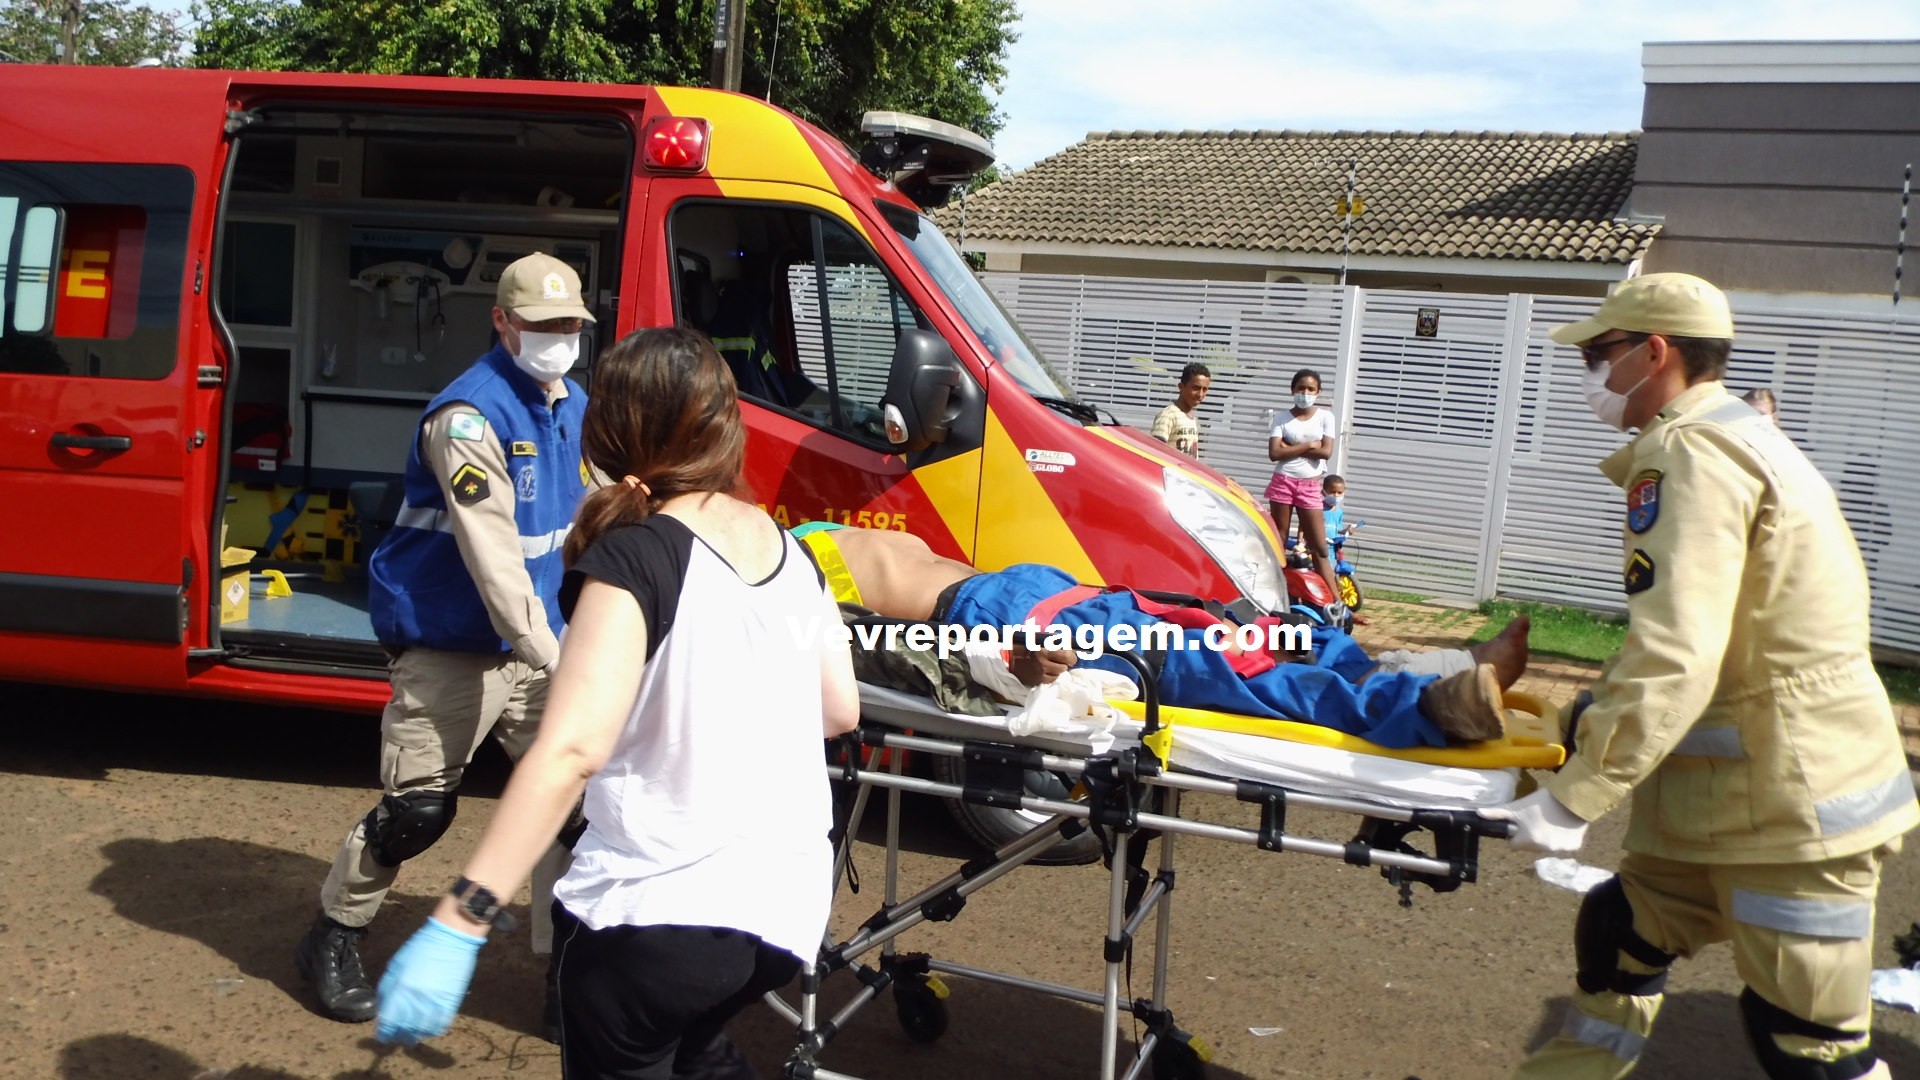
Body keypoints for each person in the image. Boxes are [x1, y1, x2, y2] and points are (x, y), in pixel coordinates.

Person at [373, 327, 860, 1076]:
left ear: (612, 432)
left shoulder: (633, 559)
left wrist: (462, 915)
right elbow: (839, 710)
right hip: (777, 918)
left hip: (654, 917)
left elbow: (572, 749)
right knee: (694, 1048)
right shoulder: (792, 552)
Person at [1499, 273, 1918, 1079]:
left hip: (1791, 816)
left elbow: (1678, 649)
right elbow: (1721, 633)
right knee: (1622, 931)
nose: (1588, 371)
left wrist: (1574, 796)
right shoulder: (1741, 434)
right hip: (1730, 801)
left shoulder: (1689, 451)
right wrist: (1585, 717)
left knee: (1809, 1045)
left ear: (1654, 352)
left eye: (1597, 353)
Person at [295, 253, 595, 1028]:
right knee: (417, 813)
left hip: (540, 640)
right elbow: (494, 558)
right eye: (542, 324)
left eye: (570, 323)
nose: (559, 337)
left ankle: (568, 975)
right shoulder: (466, 418)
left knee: (578, 813)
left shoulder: (573, 404)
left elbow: (591, 515)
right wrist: (560, 658)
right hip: (453, 641)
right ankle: (334, 933)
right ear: (501, 321)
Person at [791, 523, 1532, 749]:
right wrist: (998, 659)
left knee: (1263, 635)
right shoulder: (778, 579)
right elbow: (875, 651)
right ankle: (1426, 707)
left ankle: (1423, 667)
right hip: (1016, 619)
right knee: (1215, 666)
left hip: (1052, 594)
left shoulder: (776, 541)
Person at [1265, 368, 1341, 600]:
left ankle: (1336, 602)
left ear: (1318, 392)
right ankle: (1277, 596)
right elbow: (1274, 453)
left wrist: (1290, 448)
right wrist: (1309, 446)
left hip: (1309, 486)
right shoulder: (1282, 418)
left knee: (1319, 546)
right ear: (1292, 390)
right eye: (1300, 388)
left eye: (1310, 389)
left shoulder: (1326, 417)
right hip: (1283, 482)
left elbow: (1326, 452)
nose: (1305, 393)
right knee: (1278, 542)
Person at [1150, 362, 1211, 456]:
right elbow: (1155, 451)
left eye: (1204, 389)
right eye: (1196, 388)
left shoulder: (1192, 419)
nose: (1200, 394)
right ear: (1181, 387)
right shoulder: (1168, 415)